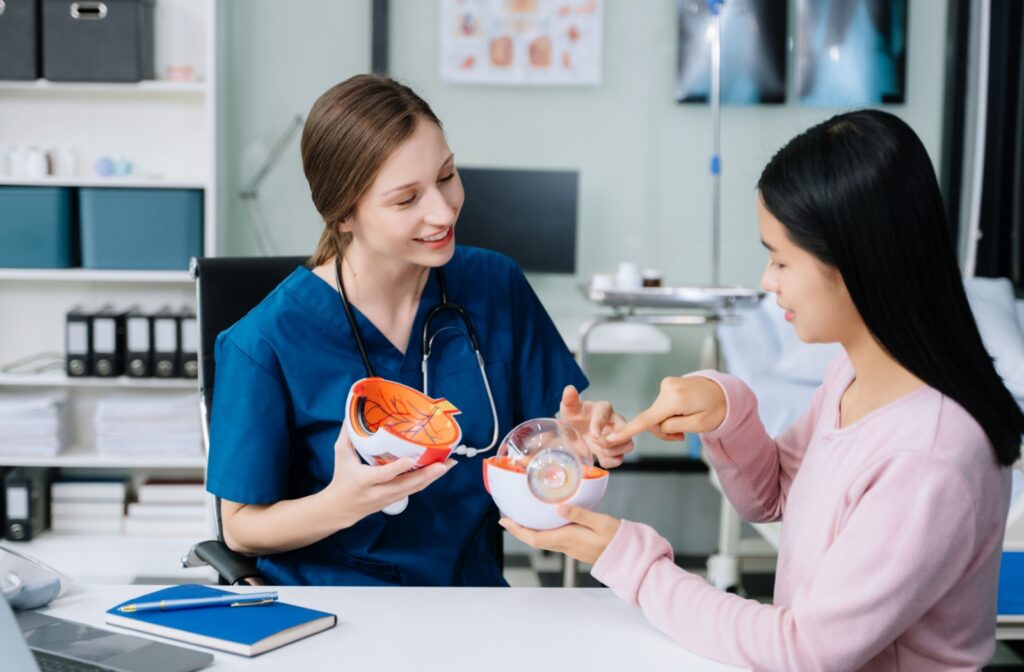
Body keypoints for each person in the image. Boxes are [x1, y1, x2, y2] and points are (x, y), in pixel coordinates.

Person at [502, 109, 1024, 670]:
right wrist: (725, 407)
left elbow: (802, 649)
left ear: (857, 264)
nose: (767, 281)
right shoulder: (852, 377)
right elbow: (773, 497)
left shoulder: (931, 457)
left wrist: (626, 558)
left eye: (780, 259)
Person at [205, 74, 630, 586]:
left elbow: (532, 446)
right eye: (406, 199)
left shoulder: (495, 283)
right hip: (332, 607)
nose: (443, 209)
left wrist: (571, 447)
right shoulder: (264, 342)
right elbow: (241, 529)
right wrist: (340, 504)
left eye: (446, 175)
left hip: (470, 601)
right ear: (344, 215)